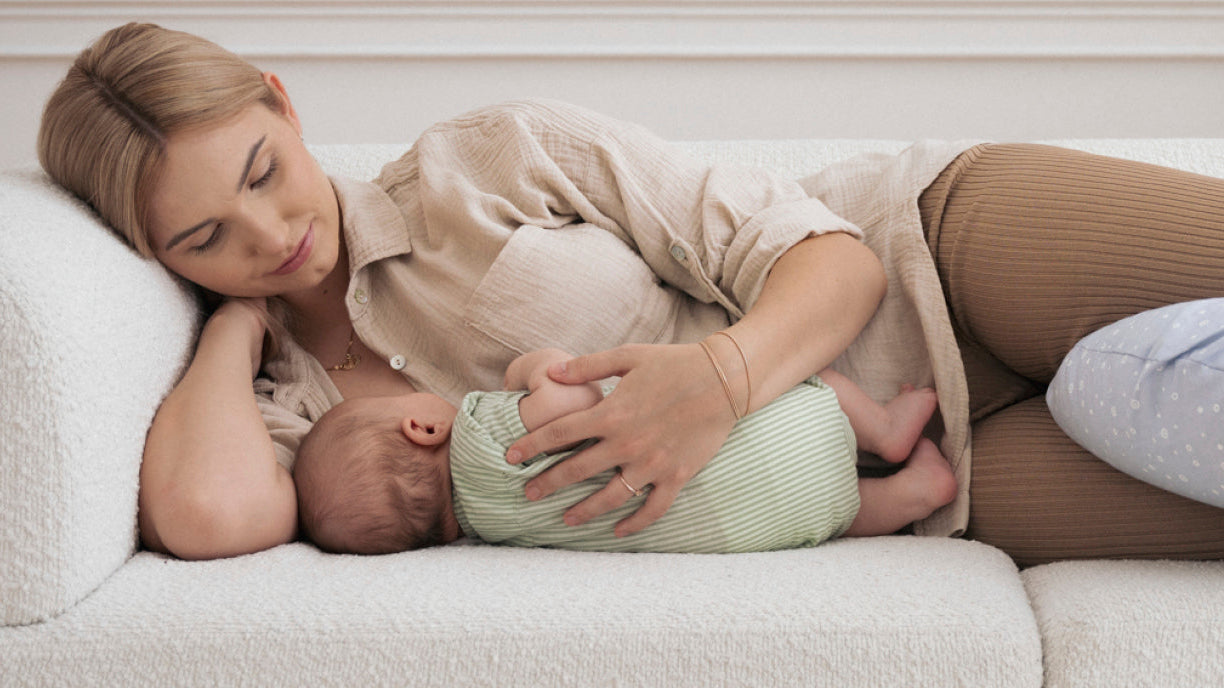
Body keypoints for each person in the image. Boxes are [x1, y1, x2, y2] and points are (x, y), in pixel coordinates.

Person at [37, 22, 1224, 566]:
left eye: (263, 171)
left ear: (285, 106)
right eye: (204, 236)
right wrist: (234, 328)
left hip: (940, 257)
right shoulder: (286, 412)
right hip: (942, 475)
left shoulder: (488, 160)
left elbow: (833, 259)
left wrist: (719, 381)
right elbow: (210, 517)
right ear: (155, 254)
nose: (272, 236)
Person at [294, 347, 956, 555]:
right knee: (809, 377)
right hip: (781, 433)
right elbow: (573, 398)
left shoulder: (494, 531)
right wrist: (528, 368)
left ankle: (911, 493)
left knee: (833, 510)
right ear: (420, 428)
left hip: (767, 525)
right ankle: (885, 430)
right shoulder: (479, 434)